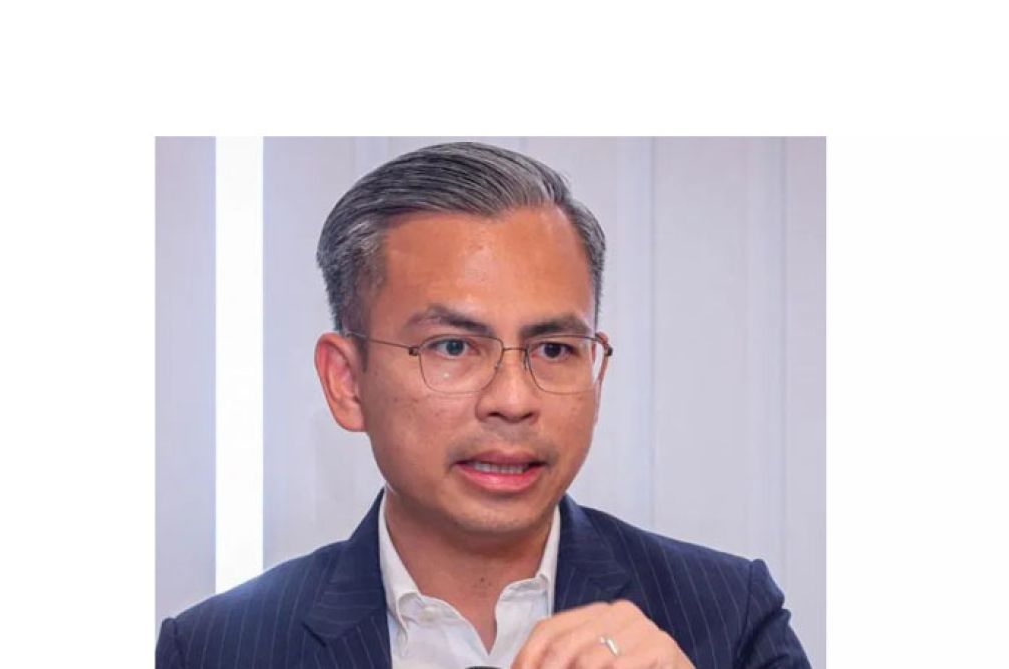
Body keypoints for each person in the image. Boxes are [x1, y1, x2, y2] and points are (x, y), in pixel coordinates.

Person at [156, 142, 811, 668]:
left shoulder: (729, 618)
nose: (513, 399)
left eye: (553, 349)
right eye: (452, 346)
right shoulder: (218, 648)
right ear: (346, 381)